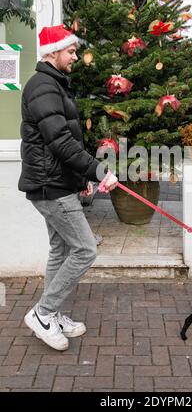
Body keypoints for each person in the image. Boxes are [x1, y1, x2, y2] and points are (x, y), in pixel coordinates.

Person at [19, 24, 117, 351]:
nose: (76, 56)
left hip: (56, 183)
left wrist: (82, 180)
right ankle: (43, 313)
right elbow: (60, 141)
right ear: (52, 52)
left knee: (61, 250)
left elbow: (62, 141)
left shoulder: (51, 84)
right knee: (85, 249)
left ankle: (52, 313)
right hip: (50, 186)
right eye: (71, 51)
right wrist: (98, 170)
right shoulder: (43, 87)